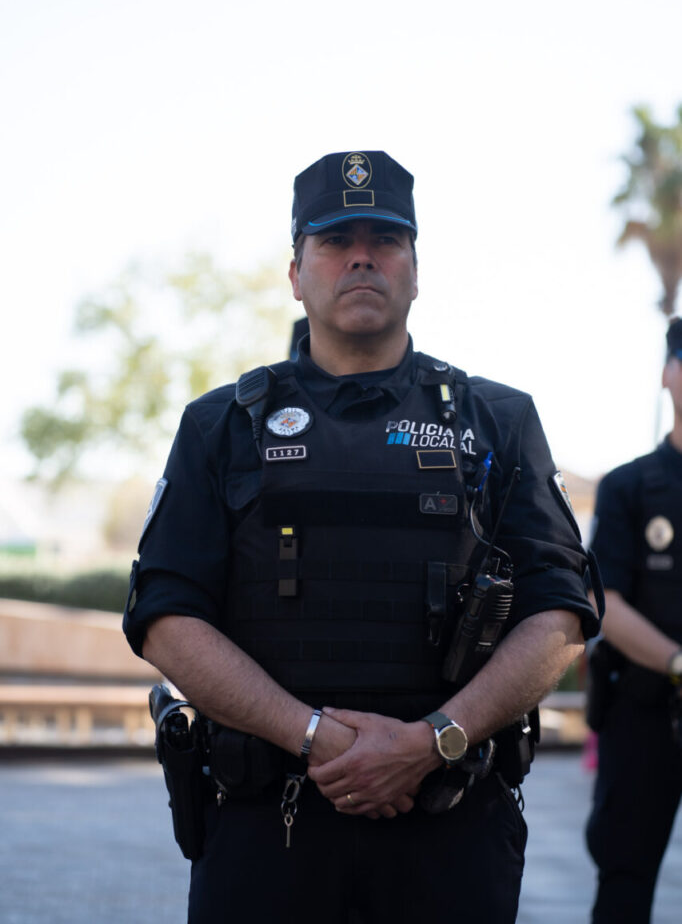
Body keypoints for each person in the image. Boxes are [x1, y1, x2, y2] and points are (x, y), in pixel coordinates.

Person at [123, 150, 602, 924]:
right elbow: (165, 618)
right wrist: (313, 737)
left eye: (386, 240)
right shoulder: (219, 426)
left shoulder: (496, 421)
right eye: (335, 240)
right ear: (295, 272)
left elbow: (560, 614)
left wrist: (434, 741)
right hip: (266, 826)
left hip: (449, 826)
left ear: (415, 269)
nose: (361, 257)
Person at [586, 317, 682, 924]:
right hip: (646, 717)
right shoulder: (630, 487)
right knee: (625, 879)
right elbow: (604, 604)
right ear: (670, 373)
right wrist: (676, 662)